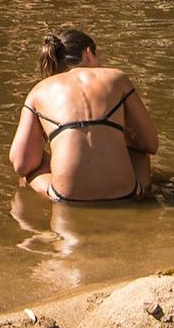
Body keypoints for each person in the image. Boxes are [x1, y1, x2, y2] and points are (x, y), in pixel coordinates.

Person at [9, 26, 159, 201]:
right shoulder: (117, 77)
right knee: (139, 151)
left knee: (28, 169)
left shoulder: (38, 91)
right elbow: (150, 144)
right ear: (88, 53)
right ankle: (145, 200)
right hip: (125, 193)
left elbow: (21, 164)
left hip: (66, 198)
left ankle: (28, 223)